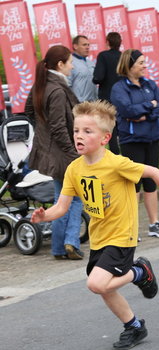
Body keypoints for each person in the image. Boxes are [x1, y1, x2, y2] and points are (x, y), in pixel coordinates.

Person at [31, 100, 159, 350]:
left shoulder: (116, 164)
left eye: (87, 131)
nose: (79, 136)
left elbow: (154, 172)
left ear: (104, 138)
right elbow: (61, 207)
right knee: (105, 289)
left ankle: (140, 272)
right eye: (77, 130)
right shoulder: (74, 169)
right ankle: (133, 326)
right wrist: (43, 216)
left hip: (122, 236)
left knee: (96, 284)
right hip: (99, 237)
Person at [25, 45, 84, 260]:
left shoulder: (41, 85)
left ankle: (60, 248)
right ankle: (69, 242)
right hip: (63, 155)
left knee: (62, 200)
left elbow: (30, 112)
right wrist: (73, 154)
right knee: (74, 200)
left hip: (51, 153)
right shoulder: (58, 90)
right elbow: (59, 127)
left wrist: (43, 134)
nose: (73, 65)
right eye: (70, 61)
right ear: (60, 64)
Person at [110, 49, 159, 239]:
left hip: (152, 138)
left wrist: (147, 112)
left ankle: (154, 224)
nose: (145, 66)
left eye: (145, 62)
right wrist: (149, 106)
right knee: (133, 185)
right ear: (129, 66)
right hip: (132, 141)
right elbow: (128, 110)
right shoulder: (119, 88)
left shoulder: (150, 84)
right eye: (141, 63)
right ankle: (131, 227)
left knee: (150, 182)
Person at [93, 32, 122, 154]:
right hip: (123, 95)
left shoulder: (103, 56)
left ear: (108, 42)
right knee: (122, 124)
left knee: (110, 127)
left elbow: (98, 77)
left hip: (107, 96)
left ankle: (115, 154)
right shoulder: (123, 56)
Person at [69, 35, 98, 102]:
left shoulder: (91, 63)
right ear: (75, 46)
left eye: (88, 45)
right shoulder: (70, 62)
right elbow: (67, 85)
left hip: (94, 104)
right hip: (79, 106)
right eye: (84, 45)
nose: (87, 47)